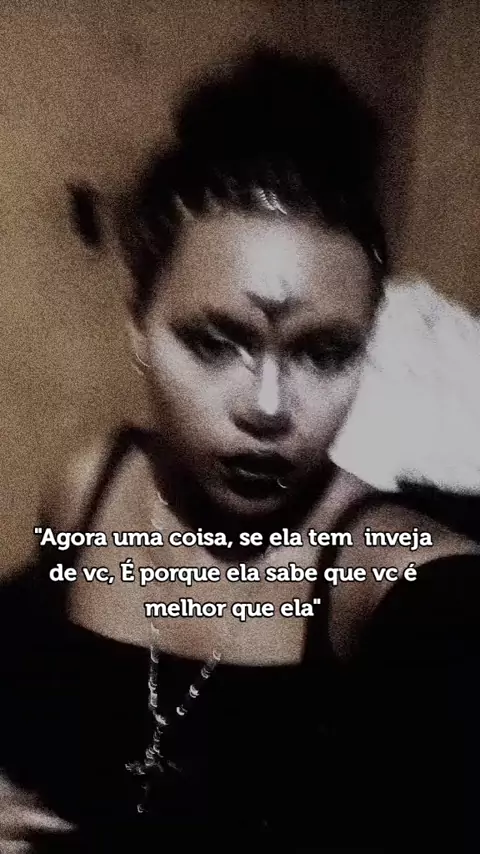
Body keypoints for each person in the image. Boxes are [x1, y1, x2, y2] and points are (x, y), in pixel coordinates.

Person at [0, 48, 478, 852]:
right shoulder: (92, 489)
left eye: (325, 354)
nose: (268, 408)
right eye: (216, 342)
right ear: (139, 326)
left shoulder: (395, 583)